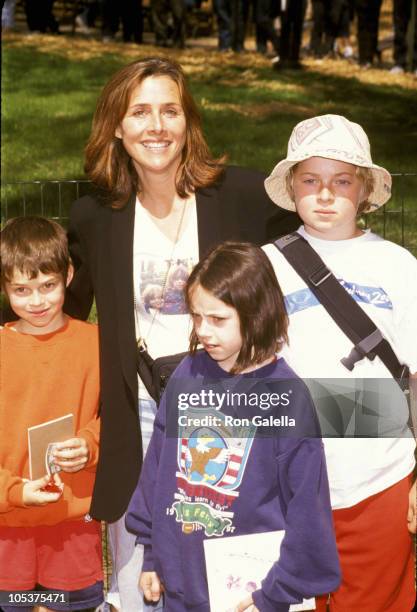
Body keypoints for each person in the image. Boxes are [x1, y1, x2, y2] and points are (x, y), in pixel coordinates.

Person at [64, 57, 299, 611]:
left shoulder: (239, 196)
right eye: (139, 112)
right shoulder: (95, 214)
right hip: (139, 417)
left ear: (188, 121)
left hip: (225, 408)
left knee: (220, 575)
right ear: (116, 127)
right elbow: (63, 313)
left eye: (170, 110)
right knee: (138, 577)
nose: (156, 126)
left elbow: (305, 255)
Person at [126, 241, 341, 610]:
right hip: (180, 587)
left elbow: (308, 509)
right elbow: (158, 470)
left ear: (257, 312)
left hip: (250, 596)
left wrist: (274, 595)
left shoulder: (285, 397)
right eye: (196, 316)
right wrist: (151, 554)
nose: (203, 331)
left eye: (218, 319)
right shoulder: (186, 373)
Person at [263, 114, 417, 611]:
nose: (325, 194)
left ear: (366, 188)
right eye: (311, 180)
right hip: (285, 480)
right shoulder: (264, 264)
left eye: (341, 181)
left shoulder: (398, 266)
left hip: (380, 479)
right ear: (291, 186)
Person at [0, 217, 103, 611]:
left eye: (48, 286)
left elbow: (121, 419)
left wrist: (90, 444)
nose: (37, 301)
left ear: (69, 275)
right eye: (21, 290)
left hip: (72, 527)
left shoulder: (95, 344)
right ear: (5, 286)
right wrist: (12, 491)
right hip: (8, 530)